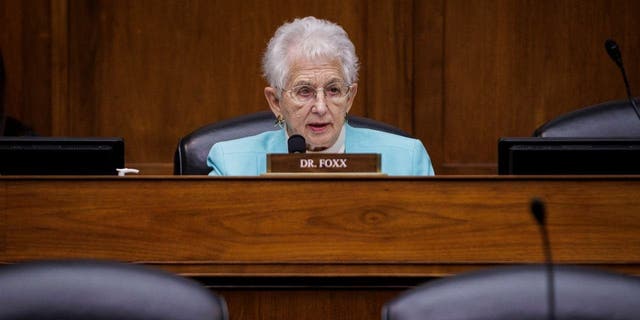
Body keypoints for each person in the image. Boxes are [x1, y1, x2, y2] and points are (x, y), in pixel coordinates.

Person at [207, 16, 434, 176]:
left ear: (350, 97)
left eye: (333, 90)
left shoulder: (407, 160)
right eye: (304, 91)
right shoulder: (231, 164)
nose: (321, 107)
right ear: (275, 102)